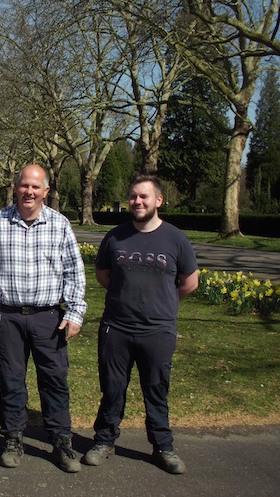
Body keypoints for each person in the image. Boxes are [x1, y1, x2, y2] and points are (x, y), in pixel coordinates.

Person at [83, 175, 199, 475]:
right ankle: (104, 440)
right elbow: (103, 276)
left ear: (158, 200)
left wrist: (162, 302)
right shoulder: (115, 237)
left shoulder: (176, 239)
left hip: (158, 330)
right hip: (116, 328)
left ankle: (163, 447)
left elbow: (189, 283)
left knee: (156, 390)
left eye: (144, 197)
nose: (137, 201)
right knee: (112, 389)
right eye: (134, 196)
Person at [0, 163, 87, 473]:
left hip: (48, 318)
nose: (29, 191)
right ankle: (14, 438)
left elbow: (74, 271)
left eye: (35, 187)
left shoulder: (59, 225)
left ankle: (61, 441)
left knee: (54, 380)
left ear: (45, 191)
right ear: (16, 187)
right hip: (7, 318)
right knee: (11, 381)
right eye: (24, 185)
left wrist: (75, 312)